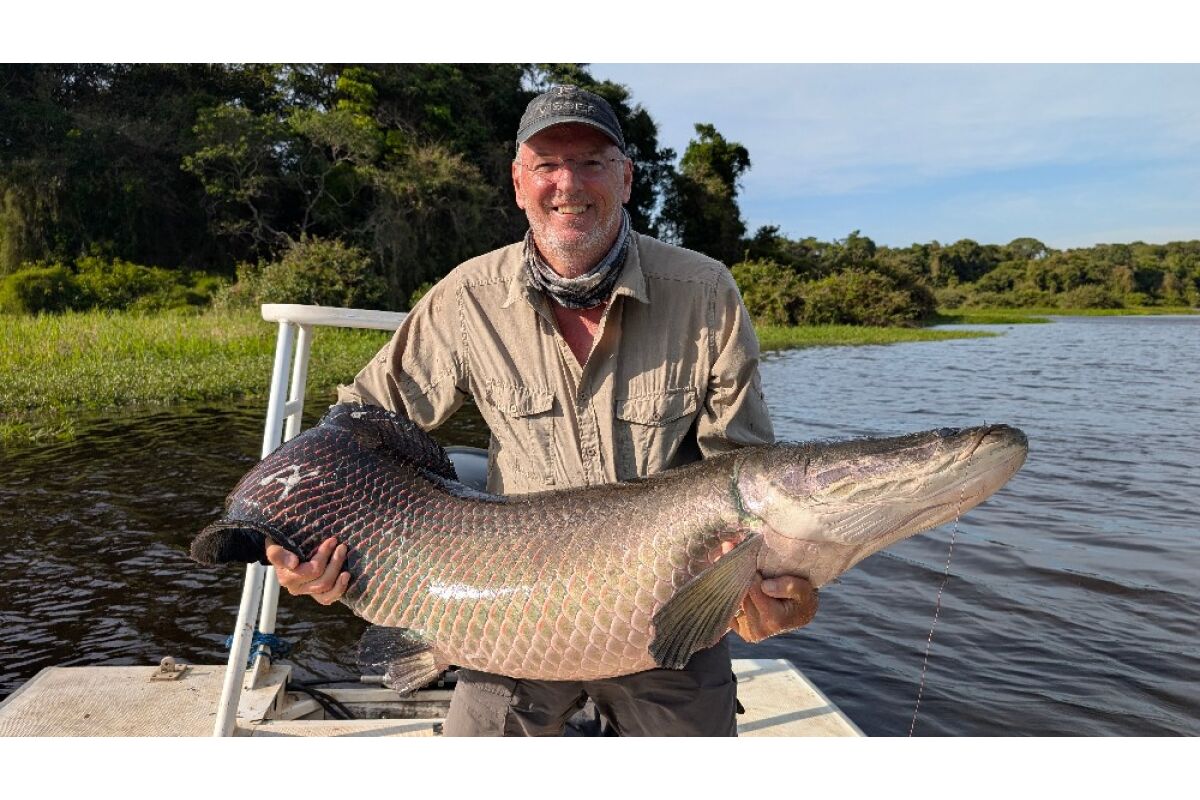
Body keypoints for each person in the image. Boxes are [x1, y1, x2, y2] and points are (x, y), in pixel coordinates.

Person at [266, 85, 819, 736]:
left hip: (667, 609)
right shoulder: (466, 298)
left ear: (626, 178)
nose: (568, 184)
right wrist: (302, 541)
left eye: (590, 162)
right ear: (518, 183)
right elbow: (355, 425)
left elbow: (748, 481)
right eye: (547, 164)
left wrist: (773, 588)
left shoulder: (706, 293)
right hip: (510, 613)